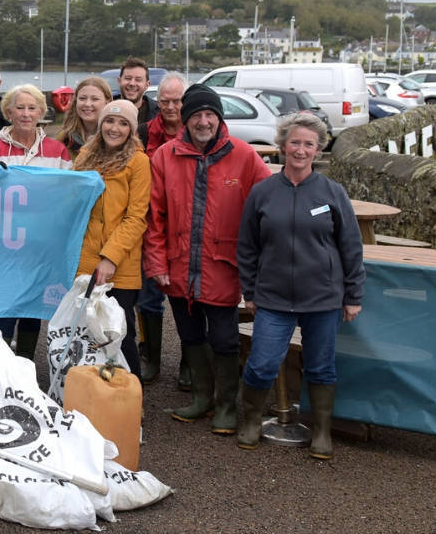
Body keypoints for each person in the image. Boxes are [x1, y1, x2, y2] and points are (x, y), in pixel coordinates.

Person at [236, 113, 364, 460]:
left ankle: (321, 432)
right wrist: (250, 291)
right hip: (273, 298)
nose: (301, 150)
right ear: (282, 146)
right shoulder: (263, 192)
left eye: (309, 144)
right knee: (262, 364)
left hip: (322, 298)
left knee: (321, 366)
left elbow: (351, 246)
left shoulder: (332, 193)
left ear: (318, 149)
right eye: (295, 142)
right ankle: (250, 421)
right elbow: (246, 246)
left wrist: (353, 296)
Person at [145, 83, 268, 435]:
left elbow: (266, 206)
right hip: (178, 266)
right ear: (185, 120)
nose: (203, 121)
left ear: (219, 118)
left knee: (225, 338)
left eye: (209, 114)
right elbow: (155, 217)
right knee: (190, 334)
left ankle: (228, 405)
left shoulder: (244, 156)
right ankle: (203, 397)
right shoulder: (165, 156)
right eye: (196, 115)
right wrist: (156, 263)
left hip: (223, 266)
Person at [0, 84, 72, 358]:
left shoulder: (57, 150)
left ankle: (26, 364)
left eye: (32, 108)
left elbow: (68, 195)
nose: (26, 113)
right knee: (5, 305)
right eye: (20, 107)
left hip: (41, 246)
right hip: (5, 244)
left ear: (41, 112)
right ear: (8, 112)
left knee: (33, 307)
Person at [74, 100, 151, 377]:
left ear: (131, 129)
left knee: (119, 331)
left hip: (120, 263)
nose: (114, 128)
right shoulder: (84, 157)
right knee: (86, 331)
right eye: (109, 121)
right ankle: (89, 392)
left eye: (122, 123)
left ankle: (130, 396)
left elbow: (136, 217)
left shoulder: (138, 162)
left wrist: (110, 257)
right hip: (84, 259)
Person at [138, 72, 189, 386]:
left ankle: (189, 363)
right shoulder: (144, 132)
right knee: (147, 298)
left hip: (186, 226)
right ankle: (152, 359)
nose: (170, 106)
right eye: (165, 100)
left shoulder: (197, 130)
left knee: (187, 298)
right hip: (151, 224)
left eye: (177, 101)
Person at [56, 76, 112, 158]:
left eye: (95, 99)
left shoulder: (115, 138)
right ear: (76, 101)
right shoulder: (64, 138)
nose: (87, 104)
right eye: (82, 98)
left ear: (108, 102)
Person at [116, 57, 157, 138]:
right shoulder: (104, 108)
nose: (132, 83)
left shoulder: (159, 113)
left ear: (147, 85)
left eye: (138, 80)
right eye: (128, 78)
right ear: (119, 81)